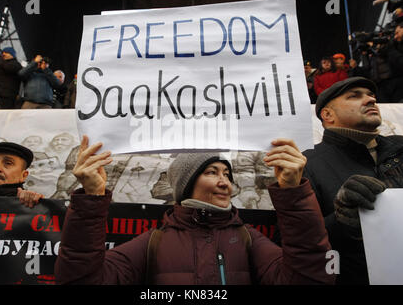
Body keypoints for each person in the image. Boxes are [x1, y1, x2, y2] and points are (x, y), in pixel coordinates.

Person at [55, 135, 334, 285]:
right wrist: (91, 198)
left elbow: (310, 278)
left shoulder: (248, 239)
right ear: (186, 186)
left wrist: (294, 194)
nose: (224, 182)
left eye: (227, 174)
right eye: (212, 172)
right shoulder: (154, 242)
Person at [303, 76, 403, 284]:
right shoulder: (307, 164)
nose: (370, 100)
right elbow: (299, 241)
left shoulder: (400, 147)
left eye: (371, 95)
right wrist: (342, 220)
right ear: (327, 115)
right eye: (354, 96)